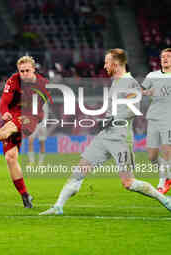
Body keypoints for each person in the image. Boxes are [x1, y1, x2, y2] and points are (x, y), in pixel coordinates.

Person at [40, 48, 171, 216]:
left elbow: (133, 109)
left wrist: (113, 119)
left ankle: (165, 200)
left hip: (121, 138)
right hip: (105, 136)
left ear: (116, 64)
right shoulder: (116, 81)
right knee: (79, 170)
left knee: (128, 183)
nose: (104, 65)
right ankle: (58, 206)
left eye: (107, 62)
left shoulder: (129, 82)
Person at [0, 56, 52, 208]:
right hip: (12, 116)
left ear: (33, 70)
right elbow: (4, 101)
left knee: (8, 129)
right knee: (10, 157)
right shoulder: (13, 80)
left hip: (31, 116)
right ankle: (26, 196)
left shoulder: (42, 84)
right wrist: (4, 112)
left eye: (27, 70)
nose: (24, 74)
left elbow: (41, 106)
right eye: (21, 71)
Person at [141, 48, 171, 194]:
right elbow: (140, 90)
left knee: (167, 151)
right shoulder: (152, 75)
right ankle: (168, 176)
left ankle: (163, 181)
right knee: (152, 156)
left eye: (168, 57)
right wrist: (147, 92)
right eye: (163, 57)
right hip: (153, 117)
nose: (165, 59)